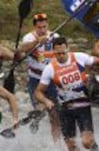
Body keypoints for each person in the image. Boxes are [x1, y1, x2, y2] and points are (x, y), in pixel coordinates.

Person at [35, 37, 99, 151]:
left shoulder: (79, 57)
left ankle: (92, 144)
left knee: (86, 143)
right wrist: (46, 101)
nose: (61, 56)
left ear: (67, 49)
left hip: (83, 105)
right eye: (58, 53)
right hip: (65, 109)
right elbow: (38, 92)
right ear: (53, 52)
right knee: (71, 146)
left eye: (63, 52)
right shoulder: (50, 68)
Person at [20, 13, 61, 143]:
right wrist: (37, 41)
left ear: (47, 25)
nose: (42, 30)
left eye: (44, 27)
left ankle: (57, 144)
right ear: (34, 27)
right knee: (40, 109)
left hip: (52, 80)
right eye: (39, 27)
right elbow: (22, 49)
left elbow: (63, 54)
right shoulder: (29, 37)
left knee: (54, 114)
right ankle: (35, 119)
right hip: (35, 80)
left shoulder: (55, 36)